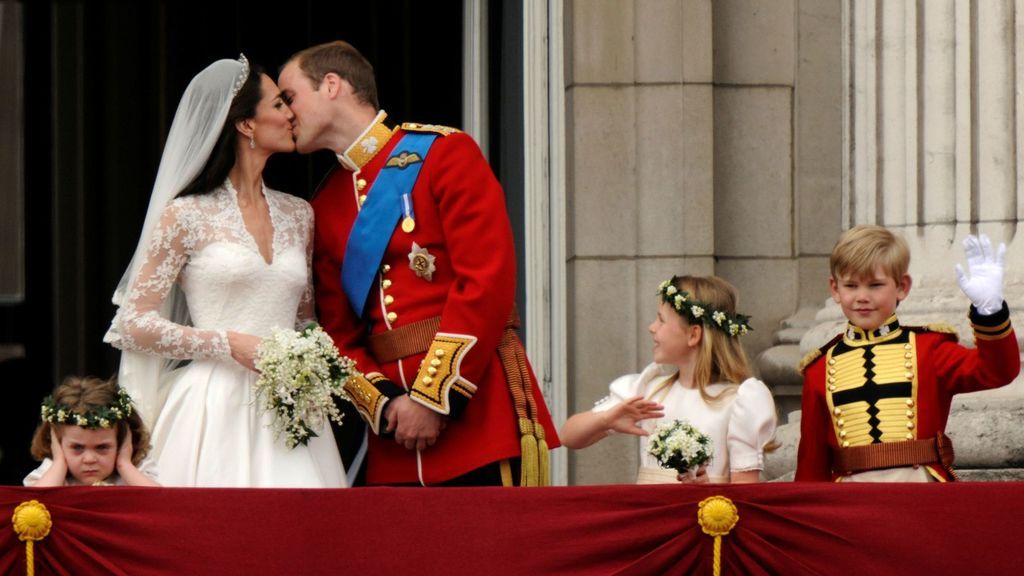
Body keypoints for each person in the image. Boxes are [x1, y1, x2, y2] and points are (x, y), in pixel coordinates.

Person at [277, 41, 559, 486]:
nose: (284, 112)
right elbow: (337, 332)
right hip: (395, 439)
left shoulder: (445, 153)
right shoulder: (325, 203)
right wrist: (387, 404)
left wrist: (432, 399)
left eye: (289, 97)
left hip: (477, 416)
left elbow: (486, 282)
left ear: (331, 85)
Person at [104, 55, 346, 488]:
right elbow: (133, 323)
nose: (291, 113)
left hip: (292, 407)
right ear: (245, 125)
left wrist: (313, 359)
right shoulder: (185, 216)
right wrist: (227, 343)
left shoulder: (299, 214)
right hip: (212, 407)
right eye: (277, 104)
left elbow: (304, 319)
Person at [796, 226, 1020, 482]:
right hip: (850, 502)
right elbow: (811, 464)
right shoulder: (819, 369)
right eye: (851, 285)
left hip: (920, 494)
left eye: (875, 285)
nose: (862, 297)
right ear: (835, 289)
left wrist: (990, 312)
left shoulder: (929, 349)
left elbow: (997, 371)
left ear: (902, 287)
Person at [560, 275, 777, 484]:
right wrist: (605, 420)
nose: (651, 327)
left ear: (693, 335)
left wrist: (707, 488)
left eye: (661, 320)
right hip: (650, 517)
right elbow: (568, 436)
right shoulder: (648, 390)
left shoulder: (739, 401)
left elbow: (745, 492)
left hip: (706, 518)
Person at [25, 376, 159, 487]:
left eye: (102, 447)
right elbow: (34, 503)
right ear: (57, 445)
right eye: (77, 447)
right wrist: (59, 463)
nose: (89, 459)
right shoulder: (52, 473)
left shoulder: (135, 472)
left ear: (122, 442)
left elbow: (161, 501)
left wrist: (124, 464)